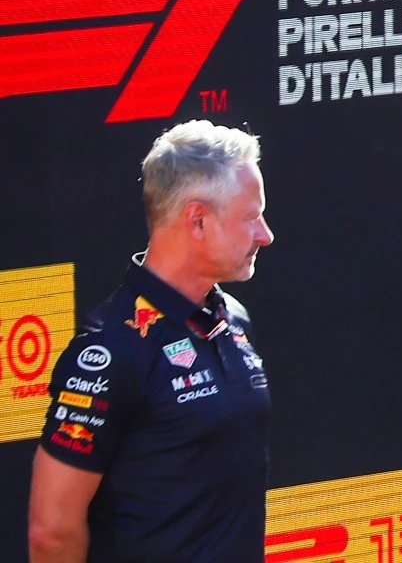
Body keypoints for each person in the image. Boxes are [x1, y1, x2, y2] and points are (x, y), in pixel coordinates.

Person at [28, 121, 276, 563]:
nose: (265, 234)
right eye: (250, 217)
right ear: (197, 220)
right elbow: (52, 530)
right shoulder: (110, 351)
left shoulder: (232, 318)